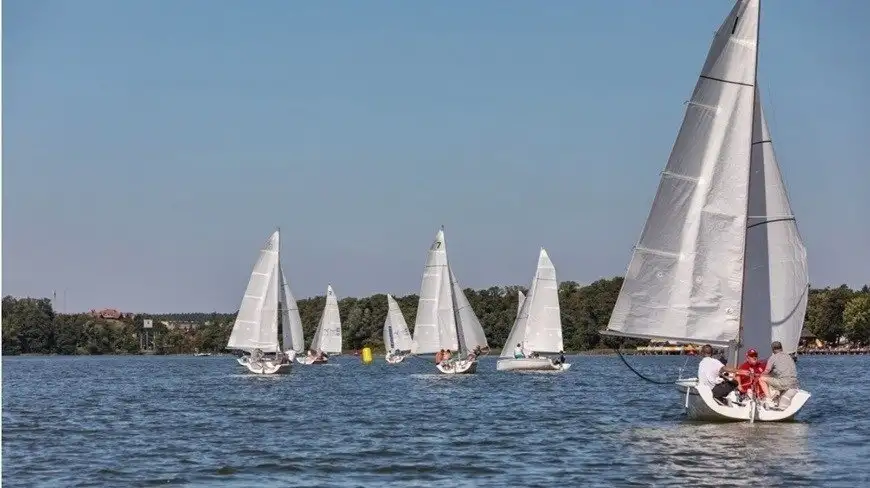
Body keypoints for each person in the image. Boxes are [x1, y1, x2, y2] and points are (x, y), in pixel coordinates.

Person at [758, 341, 799, 408]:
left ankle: (769, 399)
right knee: (776, 378)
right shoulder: (789, 356)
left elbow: (766, 371)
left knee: (761, 379)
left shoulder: (773, 358)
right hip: (794, 383)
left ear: (772, 349)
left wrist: (760, 374)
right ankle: (777, 395)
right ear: (781, 348)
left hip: (784, 383)